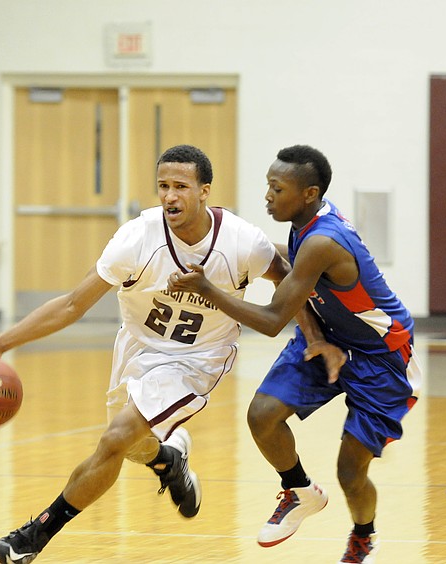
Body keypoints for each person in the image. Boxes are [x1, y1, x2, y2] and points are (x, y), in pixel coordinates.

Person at [0, 144, 291, 564]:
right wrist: (0, 344)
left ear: (205, 192)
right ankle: (168, 460)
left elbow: (289, 281)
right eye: (163, 186)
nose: (169, 196)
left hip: (198, 357)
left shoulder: (242, 241)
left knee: (114, 439)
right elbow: (74, 304)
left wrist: (317, 335)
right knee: (131, 446)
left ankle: (32, 537)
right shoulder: (136, 237)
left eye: (180, 186)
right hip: (138, 346)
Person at [168, 144, 422, 564]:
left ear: (309, 193)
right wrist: (225, 238)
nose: (267, 195)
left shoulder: (323, 240)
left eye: (276, 188)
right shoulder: (306, 220)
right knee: (262, 414)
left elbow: (271, 320)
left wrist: (207, 289)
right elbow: (287, 263)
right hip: (328, 334)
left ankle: (363, 537)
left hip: (381, 356)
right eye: (268, 185)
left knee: (350, 473)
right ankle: (300, 490)